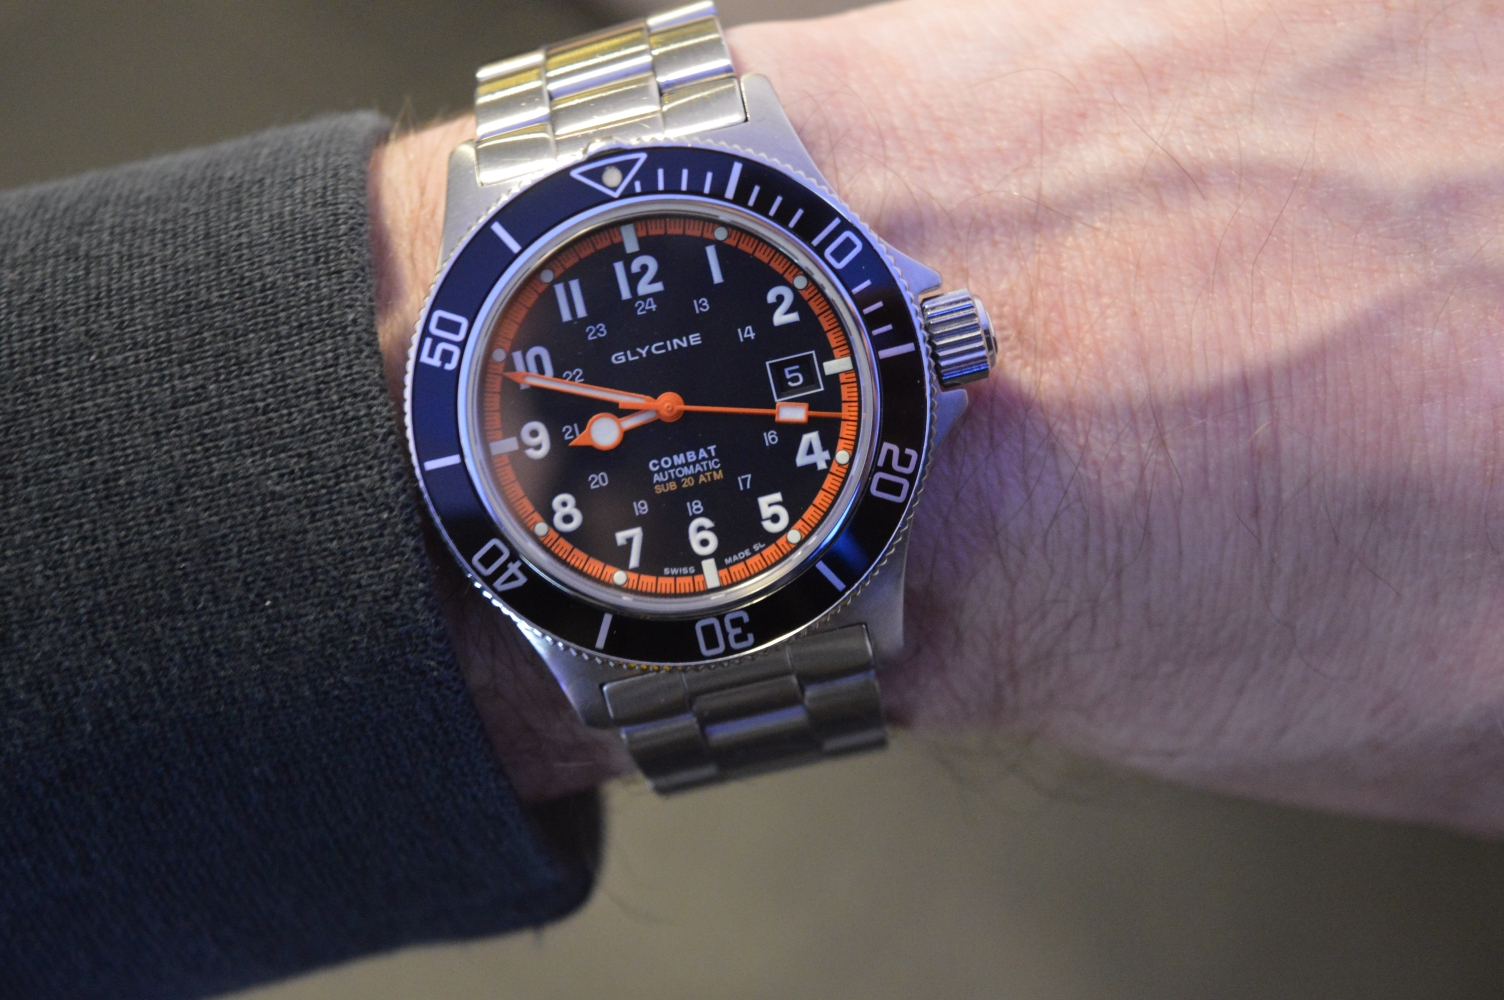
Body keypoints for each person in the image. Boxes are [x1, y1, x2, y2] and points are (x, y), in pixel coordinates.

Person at [5, 0, 1502, 996]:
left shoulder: (872, 358)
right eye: (643, 406)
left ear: (927, 342)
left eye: (676, 404)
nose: (664, 408)